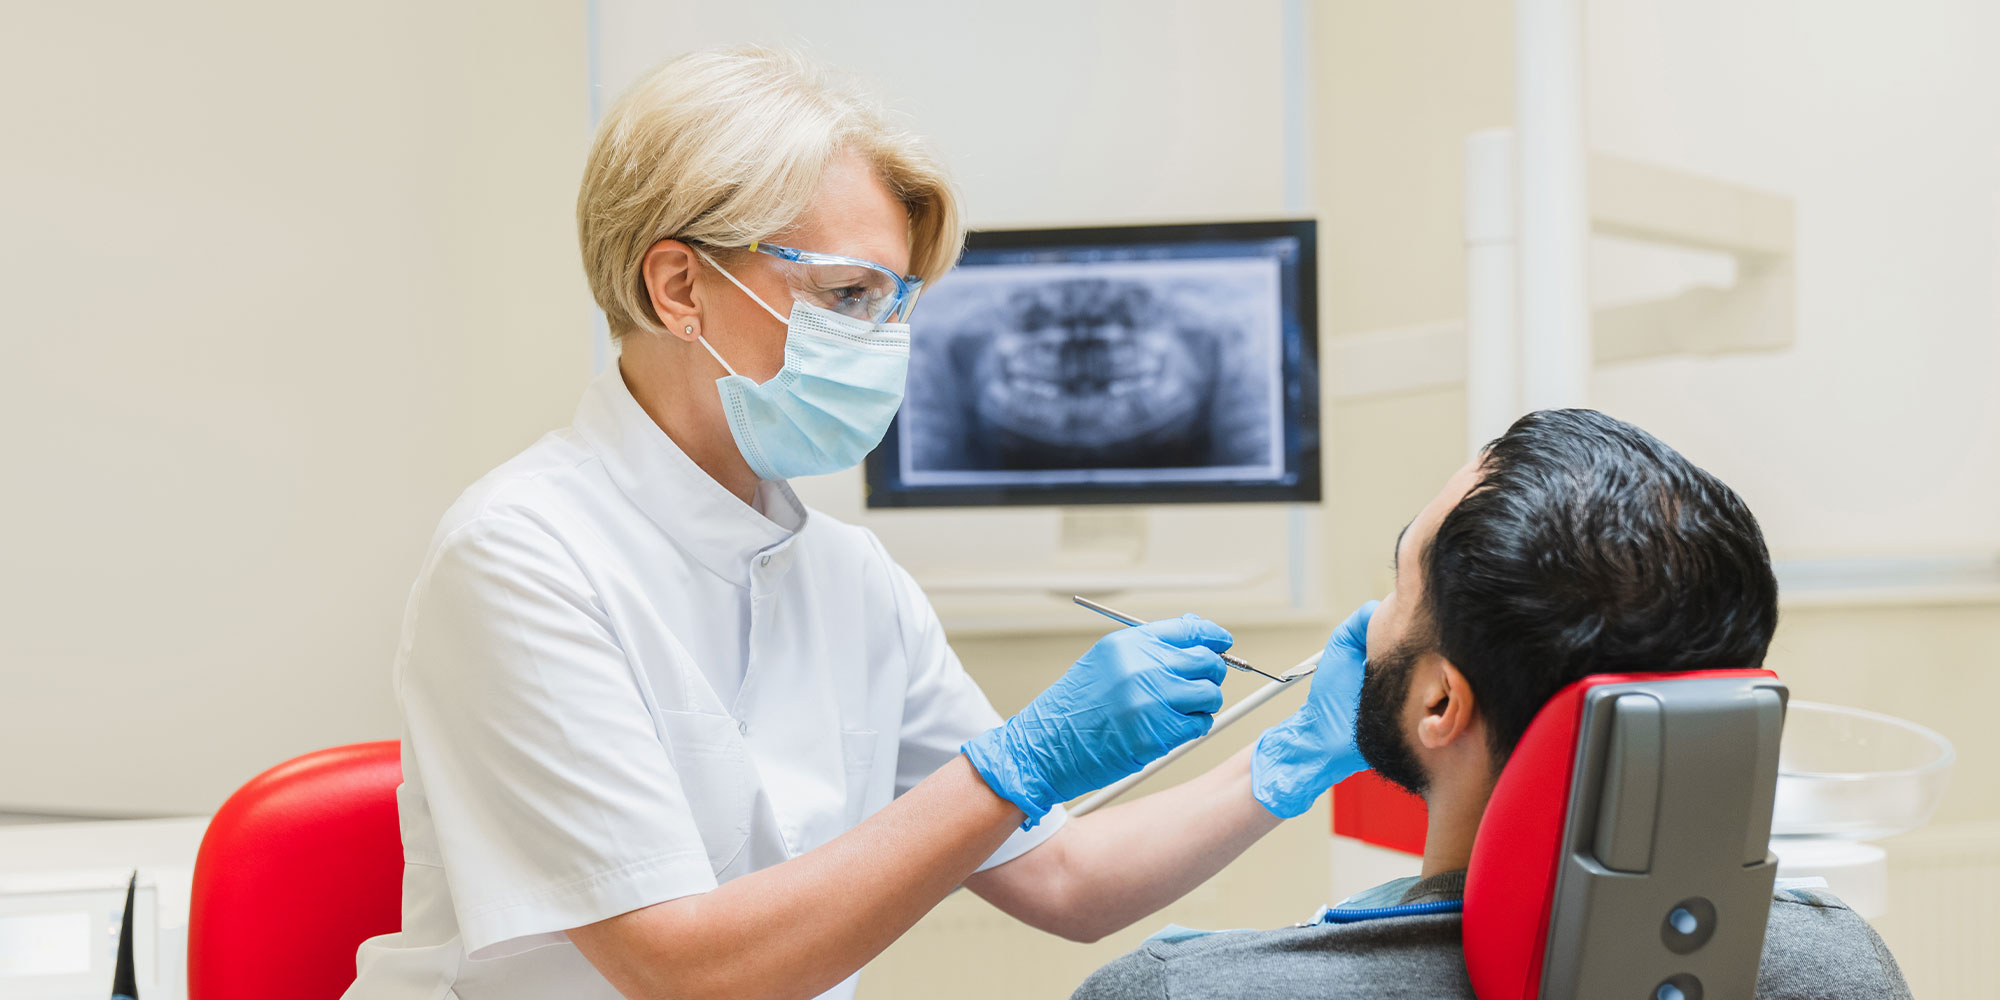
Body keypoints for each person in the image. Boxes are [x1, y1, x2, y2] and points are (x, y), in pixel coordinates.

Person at [343, 47, 1374, 1000]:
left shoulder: (849, 577)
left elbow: (1063, 880)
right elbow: (683, 970)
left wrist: (1292, 754)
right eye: (844, 295)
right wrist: (1010, 767)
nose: (884, 346)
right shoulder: (523, 556)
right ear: (677, 285)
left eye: (893, 307)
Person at [1072, 409, 1913, 1000]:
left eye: (1398, 584)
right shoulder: (1838, 967)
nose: (1371, 624)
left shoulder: (1175, 991)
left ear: (1440, 702)